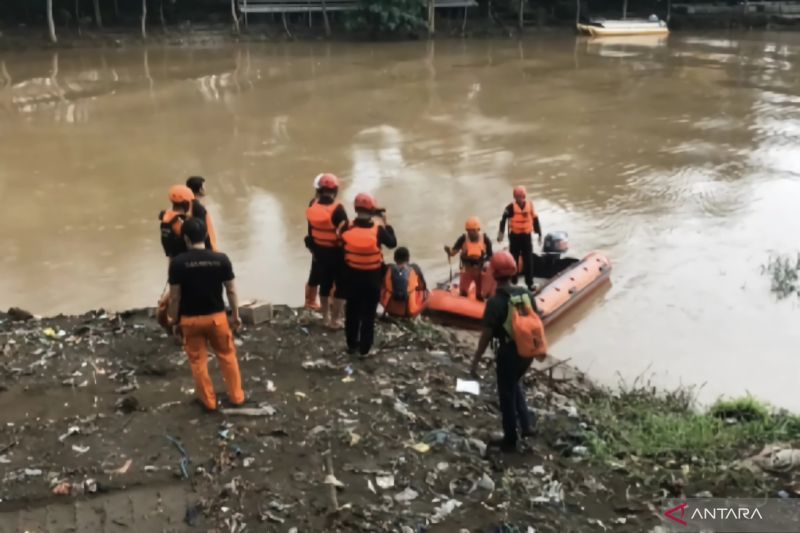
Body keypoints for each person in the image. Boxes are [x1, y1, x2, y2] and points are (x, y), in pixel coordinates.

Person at [469, 251, 548, 452]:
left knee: (506, 394)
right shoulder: (526, 294)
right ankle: (527, 426)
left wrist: (475, 362)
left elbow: (485, 337)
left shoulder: (495, 303)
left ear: (494, 275)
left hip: (508, 353)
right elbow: (536, 318)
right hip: (527, 352)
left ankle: (510, 439)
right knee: (516, 384)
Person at [167, 217, 245, 412]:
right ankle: (236, 396)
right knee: (227, 355)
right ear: (207, 235)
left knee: (198, 361)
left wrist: (173, 320)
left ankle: (209, 402)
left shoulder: (177, 263)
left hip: (190, 320)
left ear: (185, 238)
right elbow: (231, 291)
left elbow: (175, 297)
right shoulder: (221, 259)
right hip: (217, 318)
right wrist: (235, 315)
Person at [341, 193, 397, 356]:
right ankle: (365, 349)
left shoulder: (347, 227)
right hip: (372, 278)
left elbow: (341, 242)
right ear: (372, 210)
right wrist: (385, 222)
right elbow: (392, 243)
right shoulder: (378, 230)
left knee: (351, 312)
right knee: (368, 314)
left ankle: (352, 345)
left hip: (351, 277)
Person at [305, 173, 349, 327]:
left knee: (324, 285)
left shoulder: (312, 206)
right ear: (335, 190)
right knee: (341, 287)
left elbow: (310, 233)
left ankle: (325, 318)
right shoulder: (338, 209)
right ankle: (336, 319)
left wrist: (315, 251)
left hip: (319, 253)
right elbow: (346, 233)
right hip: (336, 253)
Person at [157, 185, 196, 330]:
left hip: (172, 261)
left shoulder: (165, 219)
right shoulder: (181, 223)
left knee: (175, 293)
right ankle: (179, 326)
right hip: (186, 263)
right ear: (186, 203)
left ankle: (168, 319)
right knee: (184, 296)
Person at [497, 186, 541, 291]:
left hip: (526, 237)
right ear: (514, 197)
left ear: (524, 196)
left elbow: (535, 219)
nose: (519, 199)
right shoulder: (510, 208)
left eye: (521, 197)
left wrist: (539, 233)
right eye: (517, 197)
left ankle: (530, 283)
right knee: (514, 259)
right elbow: (503, 220)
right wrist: (501, 233)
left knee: (528, 260)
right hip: (515, 237)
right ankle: (513, 281)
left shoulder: (530, 205)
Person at [444, 217, 494, 300]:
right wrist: (448, 251)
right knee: (463, 292)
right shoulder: (463, 239)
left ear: (478, 230)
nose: (471, 233)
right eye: (469, 230)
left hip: (479, 270)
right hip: (467, 269)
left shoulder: (485, 239)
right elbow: (453, 252)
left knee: (480, 295)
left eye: (473, 230)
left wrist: (486, 264)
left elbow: (490, 255)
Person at [380, 247, 428, 318]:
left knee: (382, 285)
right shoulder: (415, 268)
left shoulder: (388, 268)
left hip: (389, 307)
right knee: (423, 291)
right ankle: (422, 314)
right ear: (408, 258)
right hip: (408, 310)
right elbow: (423, 287)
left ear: (394, 259)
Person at [186, 176, 219, 252]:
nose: (205, 189)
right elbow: (202, 230)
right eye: (204, 186)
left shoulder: (186, 205)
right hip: (206, 248)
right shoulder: (198, 207)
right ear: (200, 189)